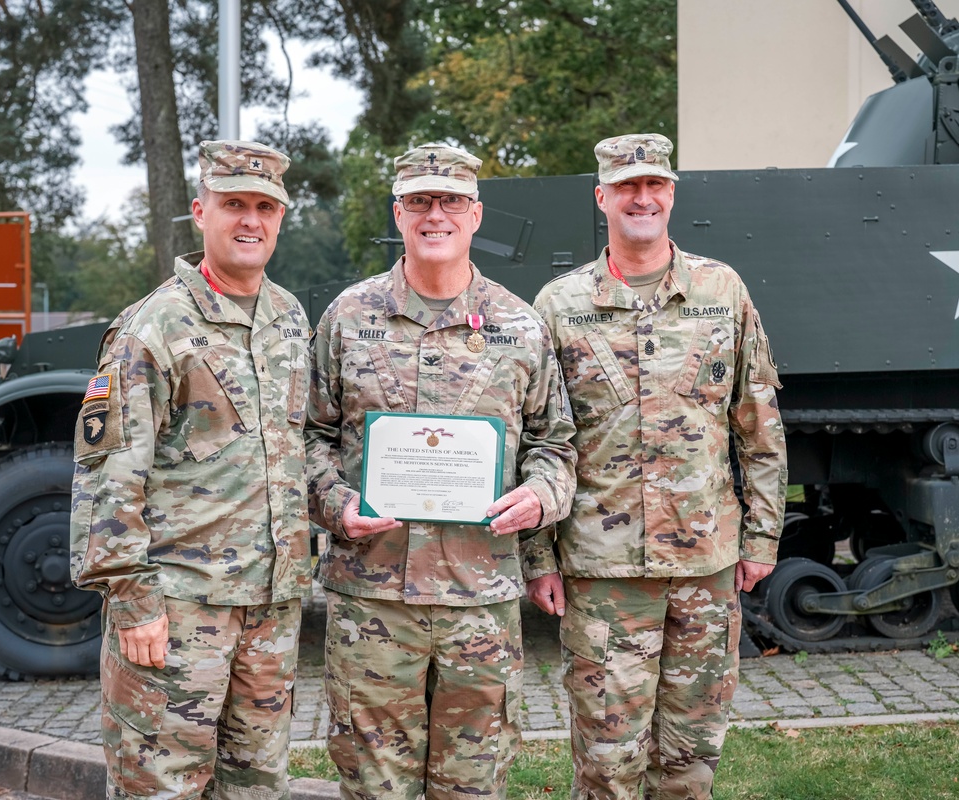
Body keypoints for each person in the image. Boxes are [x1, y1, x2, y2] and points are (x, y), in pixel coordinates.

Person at [306, 142, 577, 799]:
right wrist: (334, 500)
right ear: (397, 213)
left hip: (477, 604)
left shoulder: (520, 326)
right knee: (375, 788)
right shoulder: (348, 319)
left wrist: (540, 497)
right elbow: (306, 437)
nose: (436, 214)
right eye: (419, 201)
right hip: (373, 602)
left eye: (450, 200)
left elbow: (557, 444)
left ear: (476, 214)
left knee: (473, 787)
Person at [527, 133, 787, 800]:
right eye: (626, 187)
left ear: (670, 194)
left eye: (655, 186)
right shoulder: (560, 305)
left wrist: (760, 539)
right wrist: (540, 558)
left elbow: (756, 421)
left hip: (706, 561)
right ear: (602, 198)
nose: (642, 198)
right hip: (602, 568)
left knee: (691, 754)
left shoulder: (720, 288)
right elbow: (536, 441)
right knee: (609, 757)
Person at [70, 140, 313, 799]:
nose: (250, 221)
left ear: (281, 218)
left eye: (265, 207)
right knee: (163, 787)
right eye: (234, 204)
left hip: (270, 609)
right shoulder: (152, 327)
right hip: (178, 614)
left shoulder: (288, 318)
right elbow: (106, 478)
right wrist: (135, 604)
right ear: (202, 212)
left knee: (256, 786)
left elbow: (296, 449)